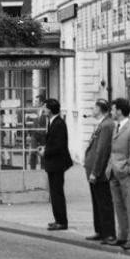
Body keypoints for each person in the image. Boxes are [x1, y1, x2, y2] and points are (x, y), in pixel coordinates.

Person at [106, 98, 130, 250]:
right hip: (114, 172)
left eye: (113, 110)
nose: (112, 112)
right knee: (118, 205)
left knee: (129, 206)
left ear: (119, 111)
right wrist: (110, 168)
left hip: (126, 174)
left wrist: (128, 169)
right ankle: (122, 235)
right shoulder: (116, 127)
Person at [83, 98, 115, 243]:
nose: (92, 110)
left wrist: (95, 172)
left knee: (104, 203)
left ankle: (108, 233)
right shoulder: (102, 123)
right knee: (97, 202)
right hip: (94, 171)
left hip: (100, 173)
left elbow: (102, 151)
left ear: (100, 109)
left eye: (94, 107)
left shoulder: (107, 125)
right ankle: (100, 230)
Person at [42, 98, 73, 231]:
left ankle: (62, 221)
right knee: (54, 193)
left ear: (50, 109)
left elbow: (60, 146)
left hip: (57, 163)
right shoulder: (52, 122)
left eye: (44, 107)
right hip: (53, 162)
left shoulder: (59, 123)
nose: (43, 110)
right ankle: (58, 219)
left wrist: (45, 152)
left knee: (57, 192)